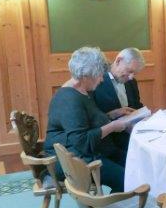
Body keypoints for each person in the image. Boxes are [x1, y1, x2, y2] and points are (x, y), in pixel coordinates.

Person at [44, 47, 129, 193]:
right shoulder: (70, 99)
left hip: (86, 152)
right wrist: (113, 126)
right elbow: (82, 141)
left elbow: (85, 121)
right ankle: (114, 207)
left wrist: (111, 115)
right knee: (127, 179)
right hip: (72, 160)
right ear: (86, 76)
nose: (102, 79)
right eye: (99, 75)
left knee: (133, 163)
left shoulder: (81, 91)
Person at [92, 47, 145, 150]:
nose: (131, 77)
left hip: (132, 138)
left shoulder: (131, 82)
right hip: (108, 143)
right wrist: (112, 115)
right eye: (129, 71)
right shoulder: (96, 82)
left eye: (134, 73)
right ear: (118, 61)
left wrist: (145, 115)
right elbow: (92, 120)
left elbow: (137, 106)